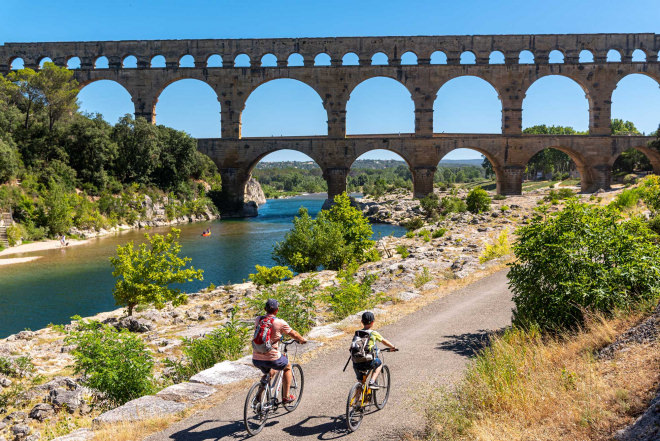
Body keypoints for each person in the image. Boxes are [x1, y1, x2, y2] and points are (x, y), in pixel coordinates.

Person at [251, 298, 306, 403]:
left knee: (270, 371)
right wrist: (302, 340)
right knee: (287, 367)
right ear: (277, 310)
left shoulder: (258, 319)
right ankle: (286, 396)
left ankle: (258, 397)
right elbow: (293, 334)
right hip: (272, 357)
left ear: (264, 309)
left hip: (256, 358)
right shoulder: (279, 322)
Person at [352, 311, 396, 390]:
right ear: (373, 322)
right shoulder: (373, 333)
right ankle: (372, 382)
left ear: (362, 322)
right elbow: (383, 341)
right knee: (379, 364)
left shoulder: (357, 333)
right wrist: (393, 347)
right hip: (367, 360)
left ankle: (356, 401)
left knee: (360, 382)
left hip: (356, 361)